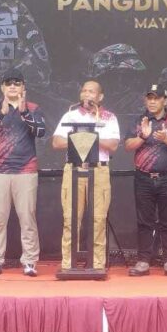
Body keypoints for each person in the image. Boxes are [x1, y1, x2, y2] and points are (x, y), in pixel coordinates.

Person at [0, 69, 46, 276]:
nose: (12, 87)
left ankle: (29, 261)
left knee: (27, 217)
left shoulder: (33, 108)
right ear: (2, 88)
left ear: (23, 87)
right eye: (8, 83)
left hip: (25, 171)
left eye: (17, 83)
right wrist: (1, 113)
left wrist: (24, 112)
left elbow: (41, 132)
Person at [52, 80, 120, 273]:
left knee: (98, 218)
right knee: (72, 217)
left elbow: (113, 145)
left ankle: (97, 263)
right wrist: (79, 139)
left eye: (92, 92)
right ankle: (69, 261)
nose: (87, 95)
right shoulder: (71, 115)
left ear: (100, 97)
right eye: (84, 91)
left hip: (98, 169)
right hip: (74, 169)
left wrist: (90, 137)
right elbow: (57, 142)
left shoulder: (108, 117)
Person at [124, 84, 167, 276]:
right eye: (149, 98)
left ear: (165, 100)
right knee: (144, 221)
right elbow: (127, 145)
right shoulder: (138, 120)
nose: (152, 101)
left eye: (156, 98)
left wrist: (166, 139)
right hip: (143, 177)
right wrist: (143, 136)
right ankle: (143, 261)